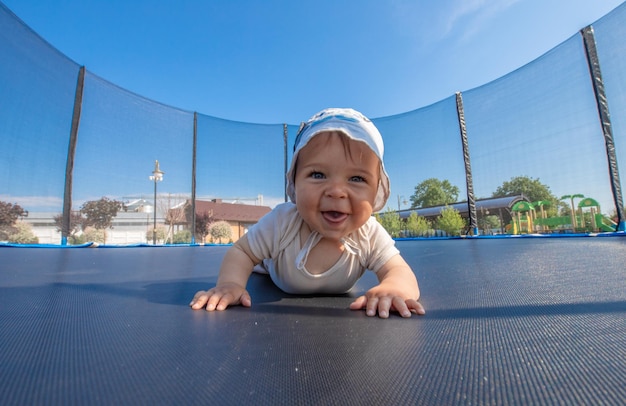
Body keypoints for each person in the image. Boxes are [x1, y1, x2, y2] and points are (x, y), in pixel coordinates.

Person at [190, 108, 424, 318]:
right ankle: (266, 264)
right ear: (294, 183)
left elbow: (400, 271)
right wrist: (230, 283)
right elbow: (243, 251)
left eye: (357, 178)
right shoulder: (282, 222)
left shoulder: (368, 233)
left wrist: (394, 288)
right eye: (318, 175)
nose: (336, 192)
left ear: (376, 192)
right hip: (275, 267)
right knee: (261, 262)